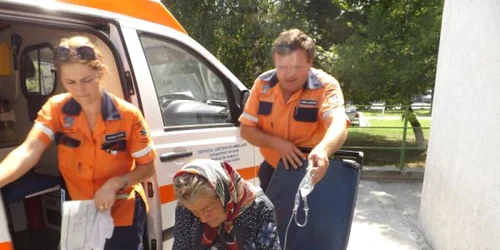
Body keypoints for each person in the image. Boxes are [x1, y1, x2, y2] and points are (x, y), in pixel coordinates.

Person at [0, 36, 156, 250]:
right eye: (70, 82)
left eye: (87, 80)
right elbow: (29, 150)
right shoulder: (56, 109)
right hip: (81, 210)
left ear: (99, 73)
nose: (80, 90)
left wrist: (115, 183)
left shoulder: (128, 116)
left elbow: (147, 168)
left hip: (122, 211)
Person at [239, 29, 349, 191]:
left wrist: (323, 149)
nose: (289, 74)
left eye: (296, 67)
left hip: (311, 172)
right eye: (282, 67)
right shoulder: (263, 85)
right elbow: (246, 130)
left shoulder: (326, 85)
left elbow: (339, 123)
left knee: (313, 217)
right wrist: (276, 143)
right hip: (272, 171)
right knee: (272, 216)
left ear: (310, 62)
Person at [172, 159, 281, 250]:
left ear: (225, 196)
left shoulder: (260, 208)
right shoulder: (185, 208)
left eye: (208, 209)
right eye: (195, 212)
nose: (203, 219)